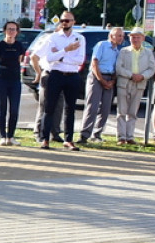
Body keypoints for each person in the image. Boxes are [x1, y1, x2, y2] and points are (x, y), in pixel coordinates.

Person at [39, 13, 84, 151]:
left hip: (72, 75)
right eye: (62, 20)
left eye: (67, 20)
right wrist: (67, 50)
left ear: (73, 22)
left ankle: (68, 139)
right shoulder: (53, 37)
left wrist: (61, 57)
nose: (64, 23)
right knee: (49, 107)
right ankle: (45, 139)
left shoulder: (80, 38)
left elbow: (80, 60)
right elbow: (49, 58)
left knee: (70, 109)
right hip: (56, 74)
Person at [79, 26, 123, 144]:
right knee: (92, 106)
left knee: (105, 108)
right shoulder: (102, 45)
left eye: (122, 36)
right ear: (111, 36)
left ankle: (97, 134)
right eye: (119, 35)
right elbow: (94, 63)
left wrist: (112, 81)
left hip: (109, 78)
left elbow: (116, 68)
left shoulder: (117, 51)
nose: (121, 38)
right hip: (97, 76)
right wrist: (101, 80)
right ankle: (84, 134)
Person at [114, 27, 155, 145]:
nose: (135, 39)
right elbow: (119, 67)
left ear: (143, 38)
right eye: (133, 37)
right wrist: (131, 75)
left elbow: (151, 69)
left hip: (139, 84)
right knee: (121, 110)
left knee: (133, 111)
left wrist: (142, 76)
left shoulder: (148, 52)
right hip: (125, 82)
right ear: (129, 38)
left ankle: (130, 136)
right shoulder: (124, 51)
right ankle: (121, 137)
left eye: (138, 37)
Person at [0, 21, 26, 145]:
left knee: (14, 109)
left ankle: (11, 136)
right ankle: (2, 136)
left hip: (15, 80)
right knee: (2, 109)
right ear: (4, 31)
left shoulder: (19, 46)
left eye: (14, 29)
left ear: (17, 32)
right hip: (0, 80)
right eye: (9, 29)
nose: (11, 31)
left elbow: (20, 60)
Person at [31, 25, 64, 144]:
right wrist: (38, 73)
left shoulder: (67, 43)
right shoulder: (49, 40)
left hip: (61, 75)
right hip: (49, 74)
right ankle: (39, 132)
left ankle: (55, 132)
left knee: (59, 105)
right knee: (45, 105)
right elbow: (34, 56)